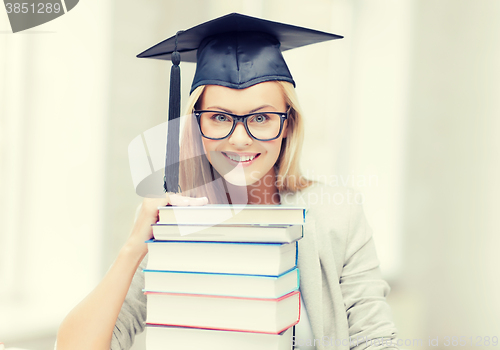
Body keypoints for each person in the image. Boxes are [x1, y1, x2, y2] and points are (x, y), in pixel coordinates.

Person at [56, 13, 398, 350]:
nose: (239, 139)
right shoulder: (175, 223)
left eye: (261, 118)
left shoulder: (338, 215)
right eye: (220, 117)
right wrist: (133, 248)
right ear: (195, 126)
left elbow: (376, 341)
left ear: (288, 125)